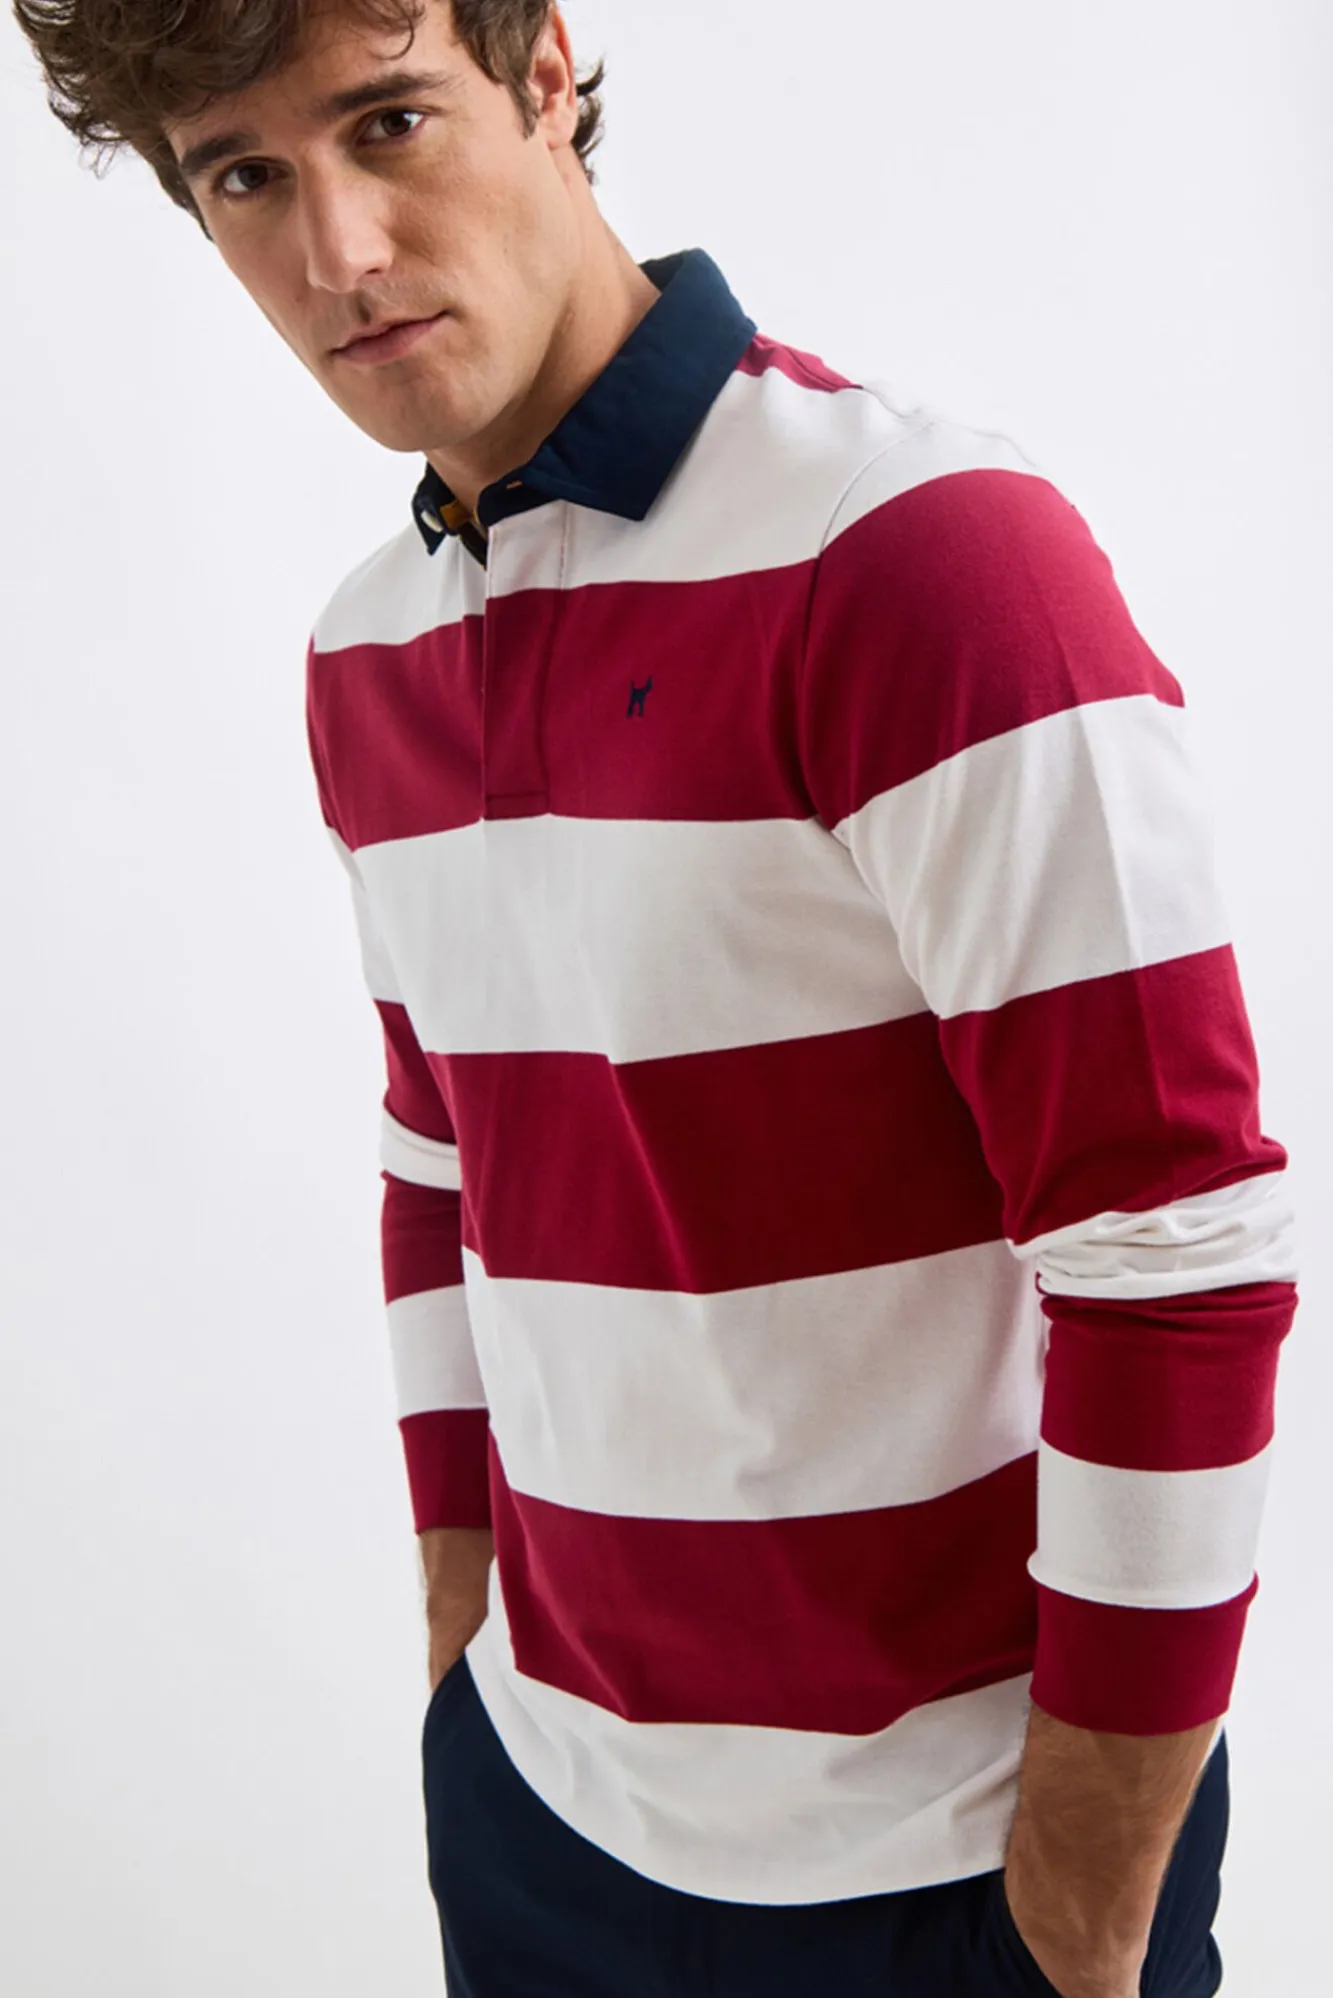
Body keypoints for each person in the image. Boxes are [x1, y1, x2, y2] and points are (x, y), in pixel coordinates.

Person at [15, 2, 1300, 1993]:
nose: (338, 252)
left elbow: (1172, 1247)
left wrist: (1083, 1898)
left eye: (388, 122)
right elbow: (440, 1162)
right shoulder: (368, 653)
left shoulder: (921, 556)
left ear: (544, 77)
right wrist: (466, 1639)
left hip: (953, 1873)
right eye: (247, 175)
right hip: (546, 1829)